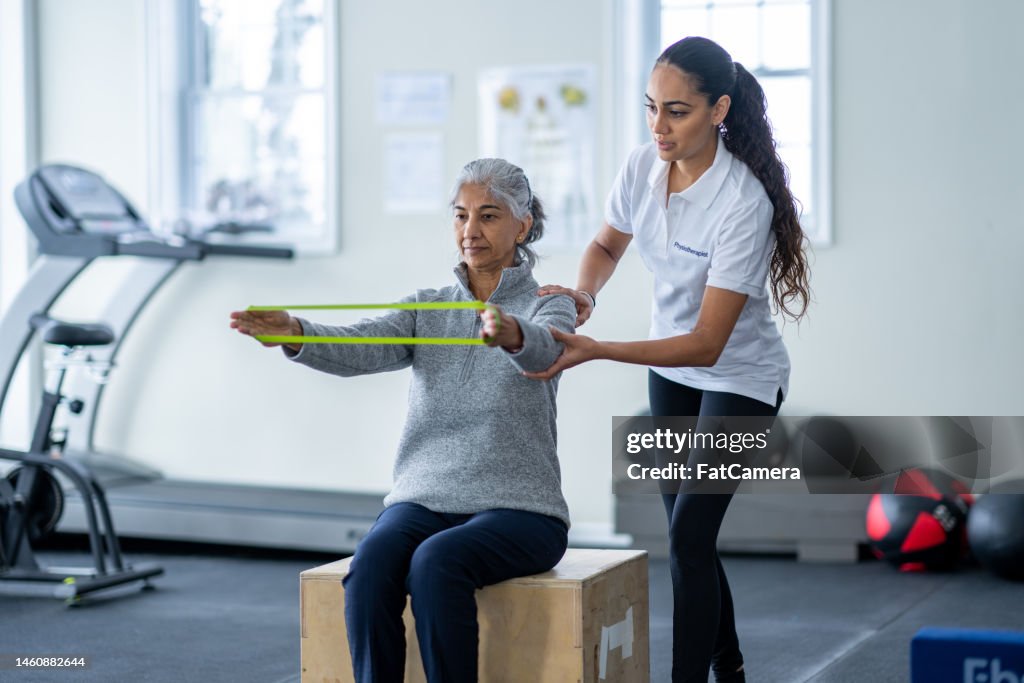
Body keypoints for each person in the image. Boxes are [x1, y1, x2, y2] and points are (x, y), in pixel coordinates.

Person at [527, 36, 811, 683]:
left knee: (686, 538)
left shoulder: (743, 204)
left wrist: (598, 350)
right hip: (670, 372)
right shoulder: (642, 167)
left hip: (741, 376)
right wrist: (584, 292)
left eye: (676, 111)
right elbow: (605, 242)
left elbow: (709, 341)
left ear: (719, 110)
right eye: (651, 107)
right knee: (689, 535)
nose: (659, 126)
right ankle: (729, 666)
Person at [230, 158, 576, 683]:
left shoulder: (550, 304)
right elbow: (359, 346)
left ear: (522, 225)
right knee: (369, 568)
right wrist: (296, 331)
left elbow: (545, 350)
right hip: (424, 498)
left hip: (522, 508)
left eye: (488, 216)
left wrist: (512, 334)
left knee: (437, 563)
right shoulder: (426, 307)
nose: (470, 231)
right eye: (460, 216)